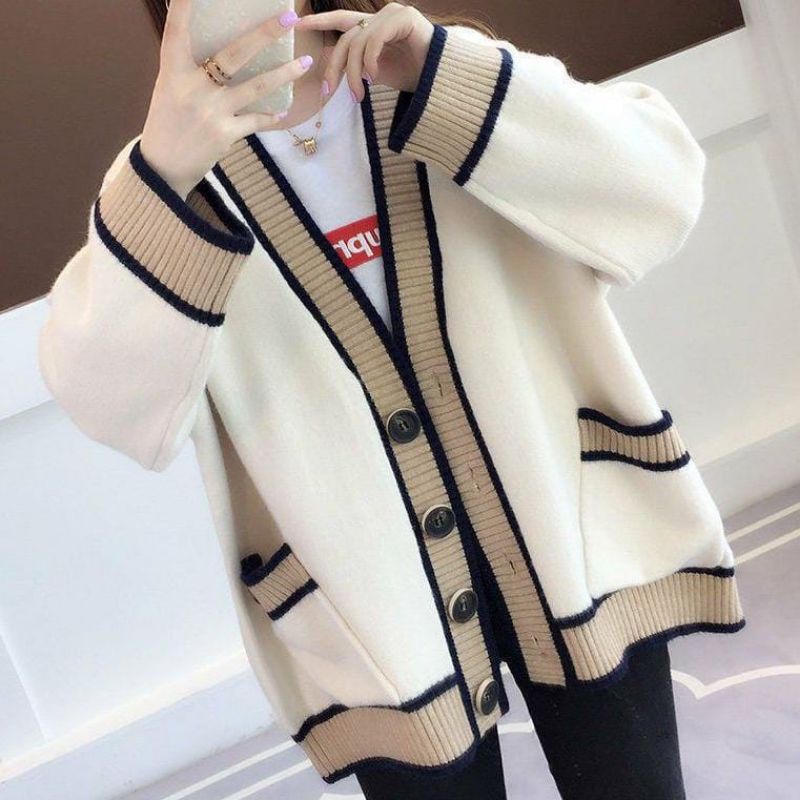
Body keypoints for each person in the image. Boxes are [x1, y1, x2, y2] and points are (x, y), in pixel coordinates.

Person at [38, 1, 746, 798]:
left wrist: (445, 71)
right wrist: (165, 172)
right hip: (374, 620)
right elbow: (107, 404)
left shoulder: (438, 69)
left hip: (578, 537)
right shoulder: (171, 177)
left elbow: (662, 188)